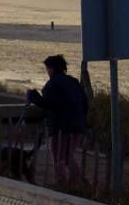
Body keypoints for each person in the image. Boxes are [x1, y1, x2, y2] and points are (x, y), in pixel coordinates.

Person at [27, 54, 88, 186]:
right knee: (68, 158)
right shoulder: (74, 82)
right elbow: (84, 103)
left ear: (52, 68)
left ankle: (63, 186)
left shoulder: (53, 84)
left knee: (59, 159)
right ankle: (76, 184)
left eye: (47, 69)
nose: (47, 72)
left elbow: (46, 104)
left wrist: (32, 95)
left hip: (60, 127)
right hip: (77, 126)